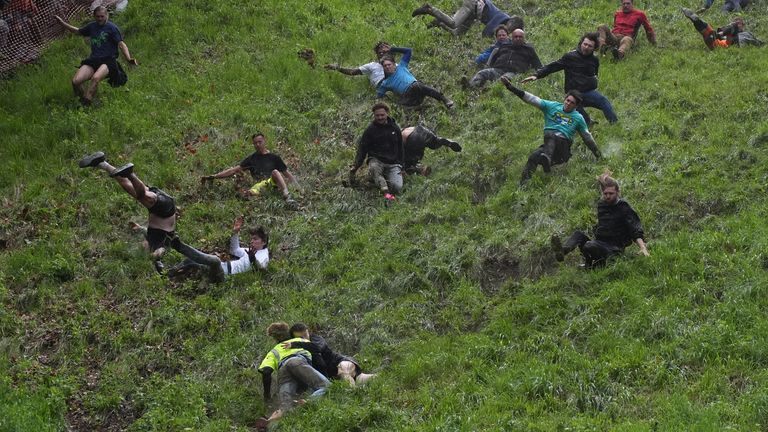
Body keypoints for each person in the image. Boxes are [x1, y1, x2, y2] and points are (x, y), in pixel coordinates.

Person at [78, 151, 181, 273]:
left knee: (126, 185)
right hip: (165, 209)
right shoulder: (161, 245)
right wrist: (155, 259)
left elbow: (147, 231)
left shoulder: (150, 237)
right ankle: (130, 174)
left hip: (159, 206)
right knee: (142, 195)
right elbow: (160, 253)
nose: (140, 246)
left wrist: (139, 228)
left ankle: (101, 163)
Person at [500, 77, 601, 185]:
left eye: (572, 103)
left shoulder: (578, 118)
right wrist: (510, 87)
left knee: (550, 134)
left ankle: (547, 158)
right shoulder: (552, 106)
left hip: (563, 149)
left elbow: (587, 137)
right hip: (550, 146)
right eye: (567, 100)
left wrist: (598, 154)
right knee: (533, 156)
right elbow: (531, 99)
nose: (568, 103)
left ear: (576, 106)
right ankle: (523, 185)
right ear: (564, 99)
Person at [550, 170, 649, 268]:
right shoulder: (602, 205)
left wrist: (643, 248)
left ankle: (592, 265)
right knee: (578, 235)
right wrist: (603, 180)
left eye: (611, 193)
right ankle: (563, 251)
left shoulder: (624, 207)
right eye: (605, 193)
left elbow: (635, 229)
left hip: (614, 249)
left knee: (590, 245)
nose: (608, 196)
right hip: (599, 243)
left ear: (618, 192)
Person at [522, 33, 618, 125]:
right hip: (574, 94)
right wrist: (537, 75)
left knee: (603, 101)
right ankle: (588, 124)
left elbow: (595, 74)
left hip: (588, 92)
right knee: (581, 116)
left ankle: (614, 124)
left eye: (590, 46)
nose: (586, 47)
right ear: (581, 43)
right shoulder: (570, 57)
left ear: (594, 48)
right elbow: (553, 66)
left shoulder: (594, 60)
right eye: (585, 44)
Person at [54, 6, 137, 106]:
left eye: (102, 16)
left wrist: (128, 59)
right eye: (97, 16)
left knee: (95, 78)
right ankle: (82, 100)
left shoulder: (112, 28)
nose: (100, 19)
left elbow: (121, 44)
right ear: (94, 16)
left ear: (107, 15)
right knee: (76, 81)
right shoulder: (92, 26)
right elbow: (78, 31)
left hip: (108, 61)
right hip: (93, 60)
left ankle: (86, 104)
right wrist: (63, 24)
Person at [256, 322, 330, 431]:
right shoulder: (300, 340)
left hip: (283, 372)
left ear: (274, 338)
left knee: (285, 407)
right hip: (298, 363)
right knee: (326, 386)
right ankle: (308, 402)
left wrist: (267, 396)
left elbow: (266, 372)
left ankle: (269, 424)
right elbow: (317, 350)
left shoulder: (273, 351)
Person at [202, 132, 299, 204]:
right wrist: (214, 176)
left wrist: (298, 187)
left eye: (260, 142)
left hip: (272, 183)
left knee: (275, 172)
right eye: (255, 143)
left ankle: (287, 196)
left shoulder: (274, 157)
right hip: (259, 187)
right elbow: (233, 170)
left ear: (265, 141)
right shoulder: (251, 159)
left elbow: (287, 174)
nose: (257, 145)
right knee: (246, 193)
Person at [164, 216, 269, 281]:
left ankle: (179, 246)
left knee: (214, 260)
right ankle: (167, 273)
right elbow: (234, 250)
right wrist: (235, 233)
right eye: (252, 239)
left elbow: (261, 269)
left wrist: (253, 260)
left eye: (255, 239)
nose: (252, 241)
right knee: (190, 261)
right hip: (224, 268)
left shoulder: (263, 255)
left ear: (263, 242)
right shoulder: (250, 251)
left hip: (225, 275)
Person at [282, 323, 377, 387]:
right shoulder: (296, 351)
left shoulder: (316, 338)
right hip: (333, 377)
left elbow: (317, 348)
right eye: (300, 337)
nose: (305, 338)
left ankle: (353, 393)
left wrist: (296, 344)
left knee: (343, 372)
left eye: (305, 335)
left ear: (308, 331)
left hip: (341, 362)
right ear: (294, 338)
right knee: (368, 379)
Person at [349, 102, 404, 202]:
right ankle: (386, 193)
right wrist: (356, 165)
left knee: (397, 187)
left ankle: (381, 178)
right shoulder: (370, 130)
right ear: (374, 115)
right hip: (377, 160)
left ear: (387, 113)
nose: (380, 118)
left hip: (393, 163)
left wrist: (401, 165)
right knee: (374, 167)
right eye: (377, 115)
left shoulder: (395, 128)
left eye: (382, 115)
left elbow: (401, 147)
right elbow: (362, 149)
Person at [465, 26, 541, 89]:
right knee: (482, 73)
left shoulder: (528, 49)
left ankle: (489, 90)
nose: (518, 38)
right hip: (498, 70)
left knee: (503, 80)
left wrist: (536, 75)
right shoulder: (504, 46)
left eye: (520, 37)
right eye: (516, 37)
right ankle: (470, 87)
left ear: (524, 38)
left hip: (513, 72)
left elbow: (538, 65)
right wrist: (489, 67)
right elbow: (493, 59)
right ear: (512, 37)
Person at [377, 47, 454, 109]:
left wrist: (392, 49)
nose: (387, 67)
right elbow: (379, 96)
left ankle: (444, 99)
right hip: (408, 96)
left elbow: (408, 51)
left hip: (415, 87)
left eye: (389, 64)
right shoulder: (385, 83)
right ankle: (421, 108)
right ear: (383, 68)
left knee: (417, 86)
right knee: (400, 106)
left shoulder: (401, 67)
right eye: (385, 66)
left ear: (394, 64)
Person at [411, 0, 523, 38]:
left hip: (474, 14)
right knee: (453, 23)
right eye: (512, 30)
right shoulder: (501, 18)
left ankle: (439, 22)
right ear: (511, 23)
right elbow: (486, 33)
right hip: (472, 4)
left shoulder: (503, 23)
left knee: (457, 34)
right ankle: (429, 9)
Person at [324, 41, 394, 90]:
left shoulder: (396, 65)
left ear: (389, 52)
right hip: (381, 87)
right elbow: (353, 72)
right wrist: (337, 68)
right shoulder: (372, 66)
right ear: (377, 54)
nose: (381, 54)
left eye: (384, 52)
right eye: (379, 52)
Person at [681, 8, 763, 49]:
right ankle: (696, 21)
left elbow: (757, 41)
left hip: (733, 43)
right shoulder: (729, 29)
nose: (738, 24)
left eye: (740, 23)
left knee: (713, 34)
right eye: (736, 22)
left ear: (743, 26)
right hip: (721, 43)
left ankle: (714, 35)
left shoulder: (746, 34)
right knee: (707, 33)